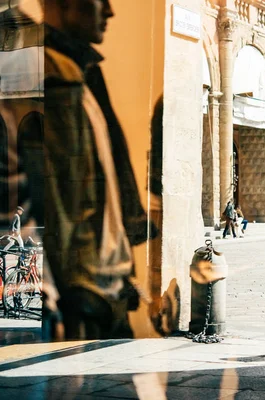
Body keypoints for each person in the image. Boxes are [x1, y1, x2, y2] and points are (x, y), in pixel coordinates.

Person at [43, 0, 153, 340]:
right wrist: (66, 294)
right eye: (99, 0)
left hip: (106, 291)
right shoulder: (52, 74)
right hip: (84, 294)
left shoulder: (85, 72)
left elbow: (110, 183)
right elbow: (55, 196)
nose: (109, 11)